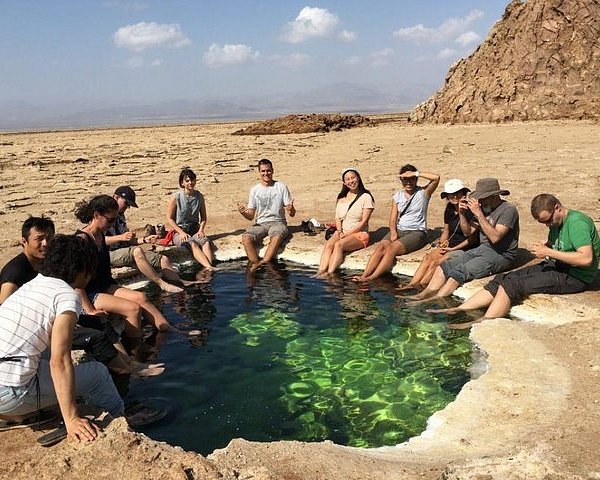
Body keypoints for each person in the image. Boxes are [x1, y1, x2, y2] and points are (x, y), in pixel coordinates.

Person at [0, 234, 124, 443]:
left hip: (5, 379)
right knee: (98, 374)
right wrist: (71, 418)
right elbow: (60, 361)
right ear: (83, 270)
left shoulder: (33, 284)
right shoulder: (66, 295)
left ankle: (20, 413)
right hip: (10, 393)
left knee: (44, 348)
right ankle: (121, 421)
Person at [428, 194, 600, 328]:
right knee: (503, 278)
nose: (548, 225)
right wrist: (546, 245)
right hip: (557, 266)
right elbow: (561, 244)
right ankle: (459, 309)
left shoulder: (577, 223)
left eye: (548, 220)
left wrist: (548, 251)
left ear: (557, 207)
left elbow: (586, 258)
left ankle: (483, 322)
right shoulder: (557, 222)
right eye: (543, 223)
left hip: (574, 277)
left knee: (513, 286)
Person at [410, 177, 520, 301]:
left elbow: (495, 238)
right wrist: (462, 214)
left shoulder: (508, 210)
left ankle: (434, 300)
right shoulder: (483, 208)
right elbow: (468, 232)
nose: (480, 201)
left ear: (494, 196)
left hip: (501, 255)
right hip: (482, 249)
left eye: (483, 198)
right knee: (444, 266)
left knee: (459, 272)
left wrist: (479, 214)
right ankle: (422, 295)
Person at [75, 195, 170, 337]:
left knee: (141, 297)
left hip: (104, 285)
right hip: (88, 293)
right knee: (133, 309)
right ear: (96, 215)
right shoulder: (82, 241)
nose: (113, 224)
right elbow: (76, 282)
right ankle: (136, 350)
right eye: (110, 220)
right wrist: (89, 310)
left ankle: (168, 330)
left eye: (115, 219)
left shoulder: (101, 235)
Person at [353, 164, 440, 282]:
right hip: (399, 229)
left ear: (416, 179)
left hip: (416, 232)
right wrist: (393, 232)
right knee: (381, 247)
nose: (408, 182)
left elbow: (436, 178)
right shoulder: (397, 196)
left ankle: (372, 278)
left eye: (412, 179)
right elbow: (393, 218)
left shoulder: (423, 193)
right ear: (401, 180)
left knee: (391, 249)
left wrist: (416, 173)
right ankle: (364, 275)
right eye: (405, 179)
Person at [398, 179, 478, 291]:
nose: (454, 197)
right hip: (450, 245)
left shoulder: (470, 211)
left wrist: (452, 249)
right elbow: (446, 230)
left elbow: (471, 238)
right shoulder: (449, 209)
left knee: (437, 263)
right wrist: (442, 243)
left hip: (464, 248)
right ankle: (412, 284)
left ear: (463, 193)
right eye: (451, 194)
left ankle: (421, 286)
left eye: (457, 193)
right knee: (428, 257)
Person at [106, 186, 187, 294]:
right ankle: (162, 284)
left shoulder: (121, 216)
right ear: (116, 197)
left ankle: (179, 282)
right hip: (108, 253)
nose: (127, 207)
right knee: (137, 251)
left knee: (163, 259)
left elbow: (128, 240)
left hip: (124, 250)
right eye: (126, 203)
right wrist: (121, 237)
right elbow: (99, 240)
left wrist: (144, 239)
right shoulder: (104, 214)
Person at [316, 168, 375, 275]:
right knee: (328, 245)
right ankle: (320, 272)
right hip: (342, 231)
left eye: (353, 178)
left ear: (358, 178)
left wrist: (347, 234)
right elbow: (338, 218)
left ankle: (330, 273)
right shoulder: (341, 197)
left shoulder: (366, 197)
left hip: (359, 234)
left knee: (339, 245)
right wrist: (340, 232)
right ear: (344, 182)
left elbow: (364, 222)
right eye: (348, 179)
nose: (351, 181)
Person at [237, 158, 296, 265]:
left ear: (272, 171)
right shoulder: (255, 190)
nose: (266, 173)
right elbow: (250, 216)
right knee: (246, 237)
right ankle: (255, 263)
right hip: (261, 223)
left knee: (276, 236)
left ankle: (264, 262)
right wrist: (243, 212)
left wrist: (291, 209)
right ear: (259, 172)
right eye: (263, 171)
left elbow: (292, 214)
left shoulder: (281, 186)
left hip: (278, 222)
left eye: (268, 170)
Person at [165, 169, 216, 270]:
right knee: (191, 243)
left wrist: (201, 230)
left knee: (205, 241)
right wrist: (181, 233)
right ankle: (209, 267)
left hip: (194, 228)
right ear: (182, 183)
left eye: (192, 180)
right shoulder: (176, 197)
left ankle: (209, 267)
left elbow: (204, 217)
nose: (190, 183)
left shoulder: (199, 196)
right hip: (180, 230)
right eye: (187, 181)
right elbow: (169, 218)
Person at [0, 216, 54, 305]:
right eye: (39, 239)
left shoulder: (48, 263)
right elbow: (4, 308)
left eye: (49, 238)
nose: (45, 243)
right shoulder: (15, 272)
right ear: (24, 242)